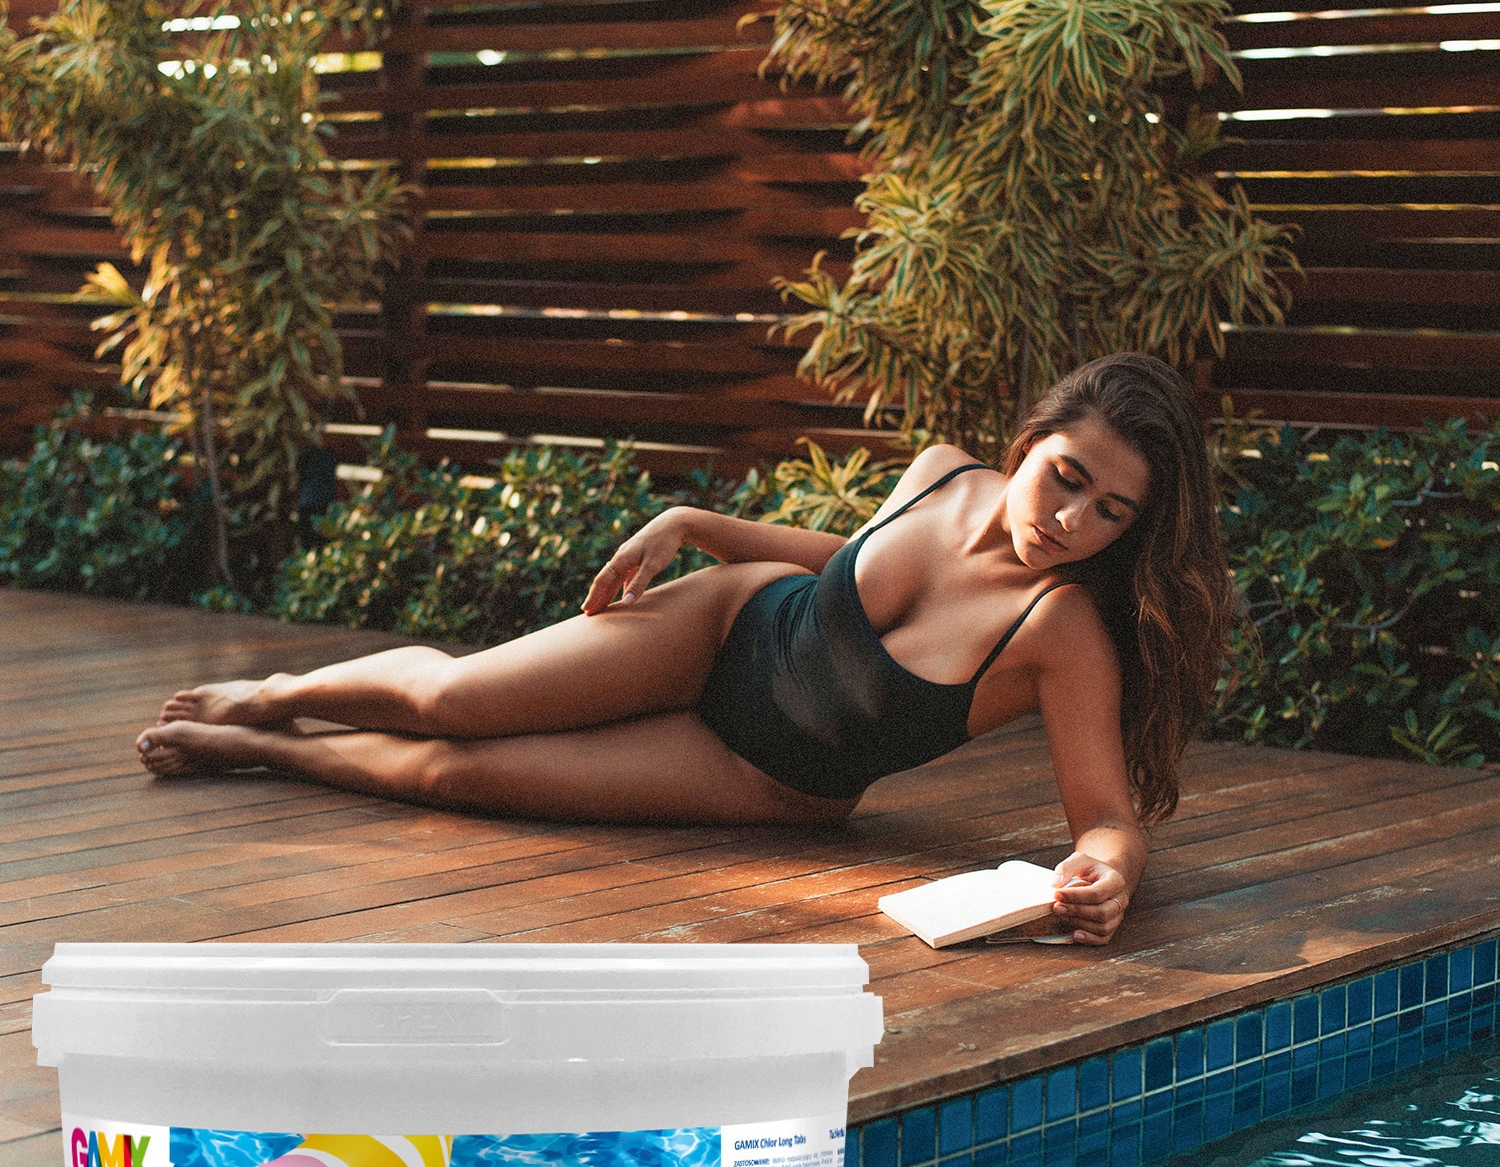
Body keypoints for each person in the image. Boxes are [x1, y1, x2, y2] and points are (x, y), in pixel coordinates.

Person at [136, 354, 1233, 945]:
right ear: (1030, 442)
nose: (1071, 520)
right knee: (453, 700)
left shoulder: (1062, 631)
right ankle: (276, 694)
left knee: (456, 777)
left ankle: (276, 751)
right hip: (725, 622)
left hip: (764, 774)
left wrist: (1110, 873)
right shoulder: (945, 471)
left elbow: (1106, 817)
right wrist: (696, 524)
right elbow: (847, 567)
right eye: (1066, 477)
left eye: (1112, 513)